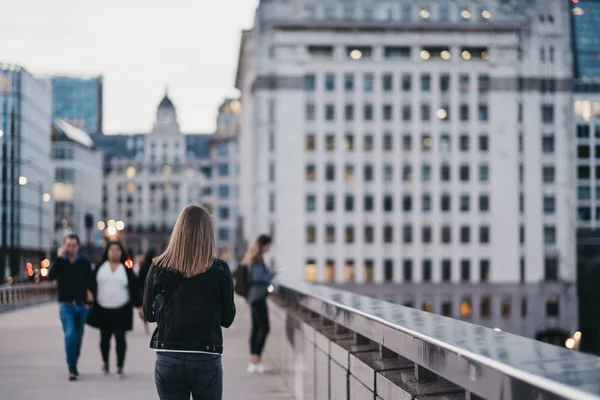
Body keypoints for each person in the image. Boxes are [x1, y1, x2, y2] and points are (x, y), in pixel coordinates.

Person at [143, 205, 236, 400]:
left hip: (168, 356)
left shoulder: (158, 266)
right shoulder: (219, 269)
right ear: (208, 233)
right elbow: (227, 319)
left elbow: (149, 314)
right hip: (206, 356)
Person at [87, 241, 142, 378]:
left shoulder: (126, 270)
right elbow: (90, 283)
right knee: (104, 339)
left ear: (121, 252)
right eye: (112, 250)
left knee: (120, 339)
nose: (115, 252)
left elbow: (135, 289)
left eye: (117, 250)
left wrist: (140, 306)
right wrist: (88, 294)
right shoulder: (101, 267)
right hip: (103, 309)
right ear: (107, 252)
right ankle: (105, 362)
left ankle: (120, 365)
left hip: (121, 309)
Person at [48, 234, 94, 381]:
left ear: (78, 247)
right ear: (64, 246)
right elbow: (51, 276)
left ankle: (73, 363)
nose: (71, 248)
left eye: (73, 245)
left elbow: (91, 282)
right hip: (66, 306)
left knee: (78, 338)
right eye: (68, 245)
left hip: (81, 306)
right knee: (70, 335)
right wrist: (58, 258)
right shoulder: (61, 262)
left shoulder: (85, 262)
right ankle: (72, 367)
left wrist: (90, 298)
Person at [241, 234, 276, 374]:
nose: (269, 248)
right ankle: (255, 361)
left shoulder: (255, 257)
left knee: (256, 328)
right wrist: (272, 273)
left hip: (254, 298)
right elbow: (258, 277)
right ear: (263, 245)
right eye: (268, 245)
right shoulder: (256, 259)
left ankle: (254, 361)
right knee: (264, 328)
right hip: (257, 298)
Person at [137, 249, 156, 334]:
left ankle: (145, 320)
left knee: (145, 306)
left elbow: (140, 279)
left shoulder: (143, 266)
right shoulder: (155, 266)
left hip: (143, 289)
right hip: (152, 289)